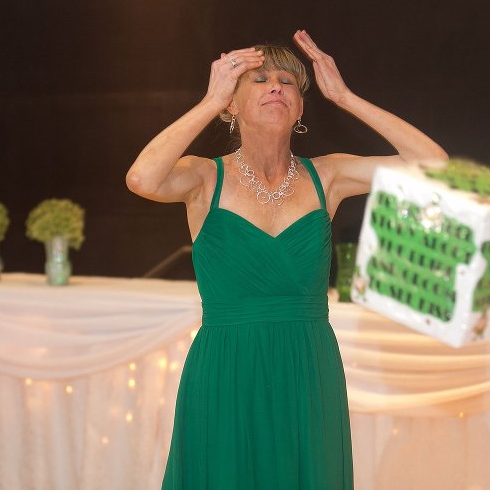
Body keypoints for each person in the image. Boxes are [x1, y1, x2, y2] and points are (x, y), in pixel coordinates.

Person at [126, 30, 447, 490]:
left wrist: (345, 96)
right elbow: (141, 177)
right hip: (226, 368)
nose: (275, 86)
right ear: (231, 105)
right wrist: (208, 100)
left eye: (287, 81)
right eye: (258, 80)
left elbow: (433, 165)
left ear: (299, 107)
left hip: (307, 368)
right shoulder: (203, 177)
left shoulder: (328, 176)